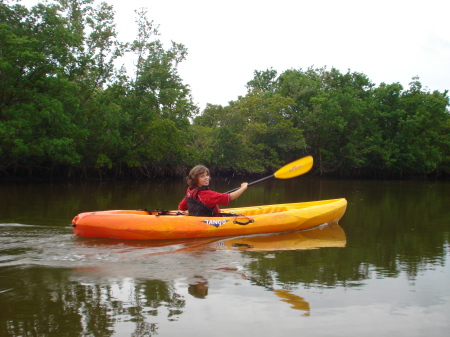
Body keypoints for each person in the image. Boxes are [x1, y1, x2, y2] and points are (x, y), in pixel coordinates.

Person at [178, 165, 248, 216]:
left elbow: (181, 207)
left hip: (197, 217)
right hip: (210, 219)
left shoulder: (191, 190)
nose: (206, 178)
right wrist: (243, 188)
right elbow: (230, 197)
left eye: (207, 175)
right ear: (195, 179)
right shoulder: (206, 194)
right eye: (202, 176)